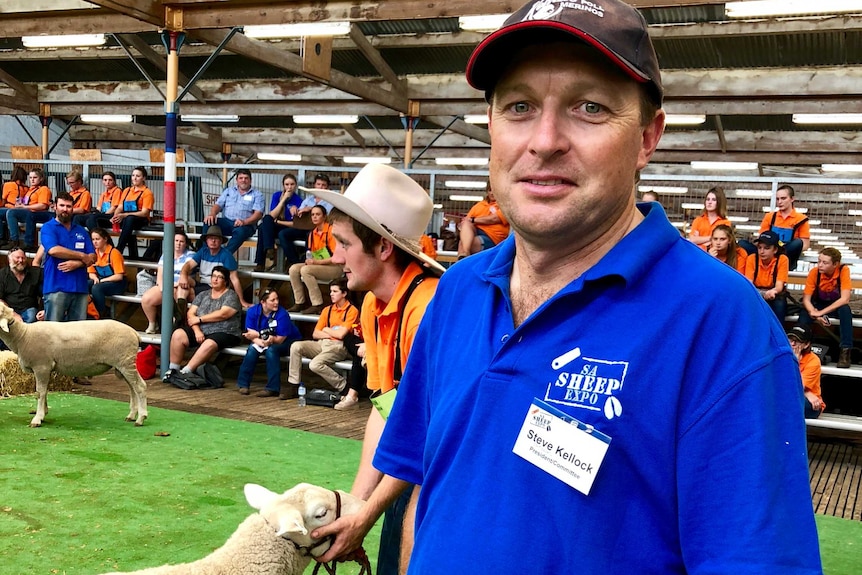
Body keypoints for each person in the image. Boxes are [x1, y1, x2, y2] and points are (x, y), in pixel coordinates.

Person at [319, 3, 821, 573]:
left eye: (589, 107)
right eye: (519, 106)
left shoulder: (720, 323)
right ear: (491, 125)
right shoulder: (457, 292)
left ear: (646, 136)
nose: (545, 139)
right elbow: (430, 489)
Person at [309, 163, 443, 575]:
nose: (335, 257)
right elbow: (385, 411)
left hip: (438, 479)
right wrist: (354, 506)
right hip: (409, 469)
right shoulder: (372, 303)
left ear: (384, 248)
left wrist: (365, 516)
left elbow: (422, 438)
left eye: (345, 244)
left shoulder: (428, 309)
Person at [285, 278, 359, 396]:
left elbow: (341, 335)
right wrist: (331, 333)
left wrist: (326, 329)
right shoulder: (327, 309)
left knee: (314, 365)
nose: (331, 294)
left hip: (339, 347)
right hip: (322, 343)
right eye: (330, 291)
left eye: (335, 291)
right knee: (296, 346)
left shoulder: (352, 310)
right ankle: (294, 384)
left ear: (344, 293)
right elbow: (315, 334)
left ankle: (343, 385)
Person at [166, 265, 241, 377]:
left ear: (225, 281)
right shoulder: (203, 294)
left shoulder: (231, 295)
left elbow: (224, 314)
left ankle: (186, 371)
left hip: (226, 332)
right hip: (202, 330)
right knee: (178, 334)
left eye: (219, 277)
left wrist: (200, 319)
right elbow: (191, 314)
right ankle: (173, 369)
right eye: (213, 276)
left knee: (209, 343)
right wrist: (197, 331)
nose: (215, 279)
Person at [39, 191, 96, 321]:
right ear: (55, 207)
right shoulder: (48, 228)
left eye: (69, 206)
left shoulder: (81, 230)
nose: (65, 209)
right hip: (56, 288)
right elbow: (53, 250)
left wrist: (79, 263)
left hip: (80, 289)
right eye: (62, 205)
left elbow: (93, 256)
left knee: (77, 334)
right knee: (53, 333)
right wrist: (81, 256)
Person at [236, 287, 301, 397]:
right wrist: (261, 343)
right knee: (252, 349)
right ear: (263, 302)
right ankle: (243, 384)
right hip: (263, 340)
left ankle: (273, 388)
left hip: (288, 341)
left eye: (277, 299)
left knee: (271, 351)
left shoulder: (282, 314)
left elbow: (280, 339)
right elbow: (251, 334)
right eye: (272, 300)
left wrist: (266, 340)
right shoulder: (253, 311)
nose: (276, 302)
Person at [798, 247, 854, 368]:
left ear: (835, 264)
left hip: (835, 305)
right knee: (804, 314)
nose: (820, 265)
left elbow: (845, 299)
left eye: (825, 262)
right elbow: (806, 299)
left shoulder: (844, 270)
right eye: (819, 261)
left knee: (845, 310)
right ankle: (799, 348)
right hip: (818, 304)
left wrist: (821, 313)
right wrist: (814, 312)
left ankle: (845, 351)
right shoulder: (814, 272)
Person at [178, 225, 251, 312]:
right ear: (206, 240)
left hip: (216, 287)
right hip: (201, 284)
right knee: (183, 281)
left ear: (220, 241)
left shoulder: (226, 255)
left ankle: (180, 318)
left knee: (182, 293)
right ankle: (179, 315)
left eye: (216, 238)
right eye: (210, 238)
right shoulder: (203, 251)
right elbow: (188, 265)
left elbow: (234, 279)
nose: (213, 241)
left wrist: (241, 300)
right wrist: (183, 275)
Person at [287, 205, 343, 314]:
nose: (314, 217)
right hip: (319, 265)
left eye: (318, 214)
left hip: (335, 267)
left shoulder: (332, 231)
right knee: (293, 269)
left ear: (324, 217)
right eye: (312, 215)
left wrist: (315, 262)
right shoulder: (312, 234)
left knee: (306, 270)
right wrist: (310, 261)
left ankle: (317, 304)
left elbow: (336, 257)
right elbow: (311, 254)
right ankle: (299, 302)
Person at [742, 184, 810, 271]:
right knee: (742, 244)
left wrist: (781, 249)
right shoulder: (769, 217)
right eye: (777, 199)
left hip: (786, 253)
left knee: (797, 243)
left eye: (783, 198)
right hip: (767, 251)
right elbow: (761, 238)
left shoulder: (801, 219)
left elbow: (805, 245)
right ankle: (766, 260)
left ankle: (778, 261)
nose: (780, 202)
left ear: (792, 199)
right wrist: (767, 249)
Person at [141, 230, 195, 334]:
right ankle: (152, 324)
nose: (178, 243)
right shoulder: (166, 254)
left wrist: (173, 285)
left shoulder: (191, 255)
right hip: (167, 285)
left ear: (186, 243)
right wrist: (162, 288)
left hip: (182, 285)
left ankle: (177, 326)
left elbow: (186, 275)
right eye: (176, 240)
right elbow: (160, 275)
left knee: (177, 293)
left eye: (181, 241)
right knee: (146, 299)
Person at [203, 168, 264, 254]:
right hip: (227, 222)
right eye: (241, 178)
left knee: (240, 231)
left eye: (246, 178)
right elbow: (218, 205)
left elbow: (258, 214)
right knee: (208, 222)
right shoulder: (229, 191)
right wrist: (212, 214)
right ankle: (205, 254)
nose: (243, 180)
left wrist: (244, 222)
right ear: (236, 180)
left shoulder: (257, 195)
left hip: (246, 225)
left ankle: (224, 256)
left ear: (250, 180)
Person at [253, 173, 305, 271]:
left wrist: (280, 222)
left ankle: (261, 261)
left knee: (262, 228)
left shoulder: (298, 200)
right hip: (276, 224)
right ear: (283, 186)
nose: (289, 187)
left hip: (288, 226)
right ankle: (269, 249)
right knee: (266, 220)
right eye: (287, 184)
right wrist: (283, 199)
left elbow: (296, 223)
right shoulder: (277, 195)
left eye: (292, 184)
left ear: (296, 185)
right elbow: (272, 215)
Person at [4, 167, 52, 252]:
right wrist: (20, 204)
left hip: (36, 213)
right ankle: (2, 238)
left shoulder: (44, 189)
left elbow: (43, 206)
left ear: (41, 179)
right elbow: (26, 202)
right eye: (30, 178)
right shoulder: (30, 190)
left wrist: (24, 207)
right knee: (4, 212)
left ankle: (14, 240)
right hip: (28, 211)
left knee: (12, 213)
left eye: (35, 177)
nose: (32, 180)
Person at [745, 230, 789, 322]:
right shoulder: (752, 258)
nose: (762, 251)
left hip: (773, 293)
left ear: (775, 250)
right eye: (759, 247)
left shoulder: (782, 260)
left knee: (779, 303)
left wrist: (773, 292)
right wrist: (761, 294)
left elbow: (779, 287)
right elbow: (749, 283)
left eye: (767, 248)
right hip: (756, 292)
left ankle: (778, 333)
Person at [113, 166, 155, 260]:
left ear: (143, 178)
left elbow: (144, 213)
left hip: (140, 219)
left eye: (138, 176)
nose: (134, 178)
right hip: (126, 219)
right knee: (98, 218)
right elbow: (120, 207)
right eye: (133, 175)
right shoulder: (127, 190)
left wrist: (124, 215)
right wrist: (115, 215)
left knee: (129, 219)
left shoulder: (147, 193)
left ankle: (120, 248)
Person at [87, 227, 127, 319]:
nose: (95, 242)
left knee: (97, 288)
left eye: (97, 239)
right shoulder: (93, 253)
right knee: (84, 284)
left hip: (118, 283)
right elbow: (91, 272)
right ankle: (88, 311)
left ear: (105, 239)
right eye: (93, 239)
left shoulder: (114, 253)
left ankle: (101, 313)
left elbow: (119, 276)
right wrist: (94, 278)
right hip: (101, 279)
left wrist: (102, 280)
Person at [457, 189, 509, 258]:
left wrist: (473, 220)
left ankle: (463, 259)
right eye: (490, 190)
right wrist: (463, 224)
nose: (492, 193)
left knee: (463, 244)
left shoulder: (504, 205)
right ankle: (465, 254)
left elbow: (494, 219)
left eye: (494, 189)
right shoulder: (479, 205)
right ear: (487, 192)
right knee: (466, 226)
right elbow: (467, 220)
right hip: (475, 232)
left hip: (493, 238)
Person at [787, 325, 826, 419]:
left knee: (784, 403)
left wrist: (794, 363)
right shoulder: (781, 356)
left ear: (806, 345)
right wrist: (807, 393)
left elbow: (796, 387)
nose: (792, 344)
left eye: (797, 341)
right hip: (796, 396)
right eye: (790, 339)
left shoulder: (813, 360)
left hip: (812, 403)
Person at [0, 247, 42, 323]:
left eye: (23, 258)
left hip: (29, 310)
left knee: (31, 316)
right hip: (8, 310)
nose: (21, 260)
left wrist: (43, 310)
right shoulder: (2, 274)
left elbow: (45, 294)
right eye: (17, 258)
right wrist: (12, 313)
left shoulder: (35, 273)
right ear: (9, 259)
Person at [0, 166, 27, 243]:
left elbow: (4, 200)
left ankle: (1, 237)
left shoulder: (8, 184)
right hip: (21, 210)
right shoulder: (26, 188)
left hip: (10, 208)